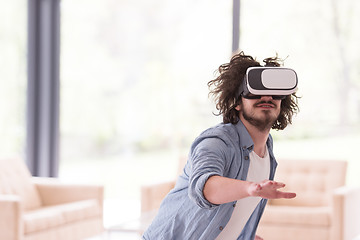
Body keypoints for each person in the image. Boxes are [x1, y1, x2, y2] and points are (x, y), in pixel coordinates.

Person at [142, 51, 300, 240]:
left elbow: (234, 211)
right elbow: (205, 188)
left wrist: (245, 235)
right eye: (254, 91)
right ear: (237, 102)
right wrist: (251, 188)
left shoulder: (267, 149)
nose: (266, 97)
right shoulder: (217, 142)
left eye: (274, 92)